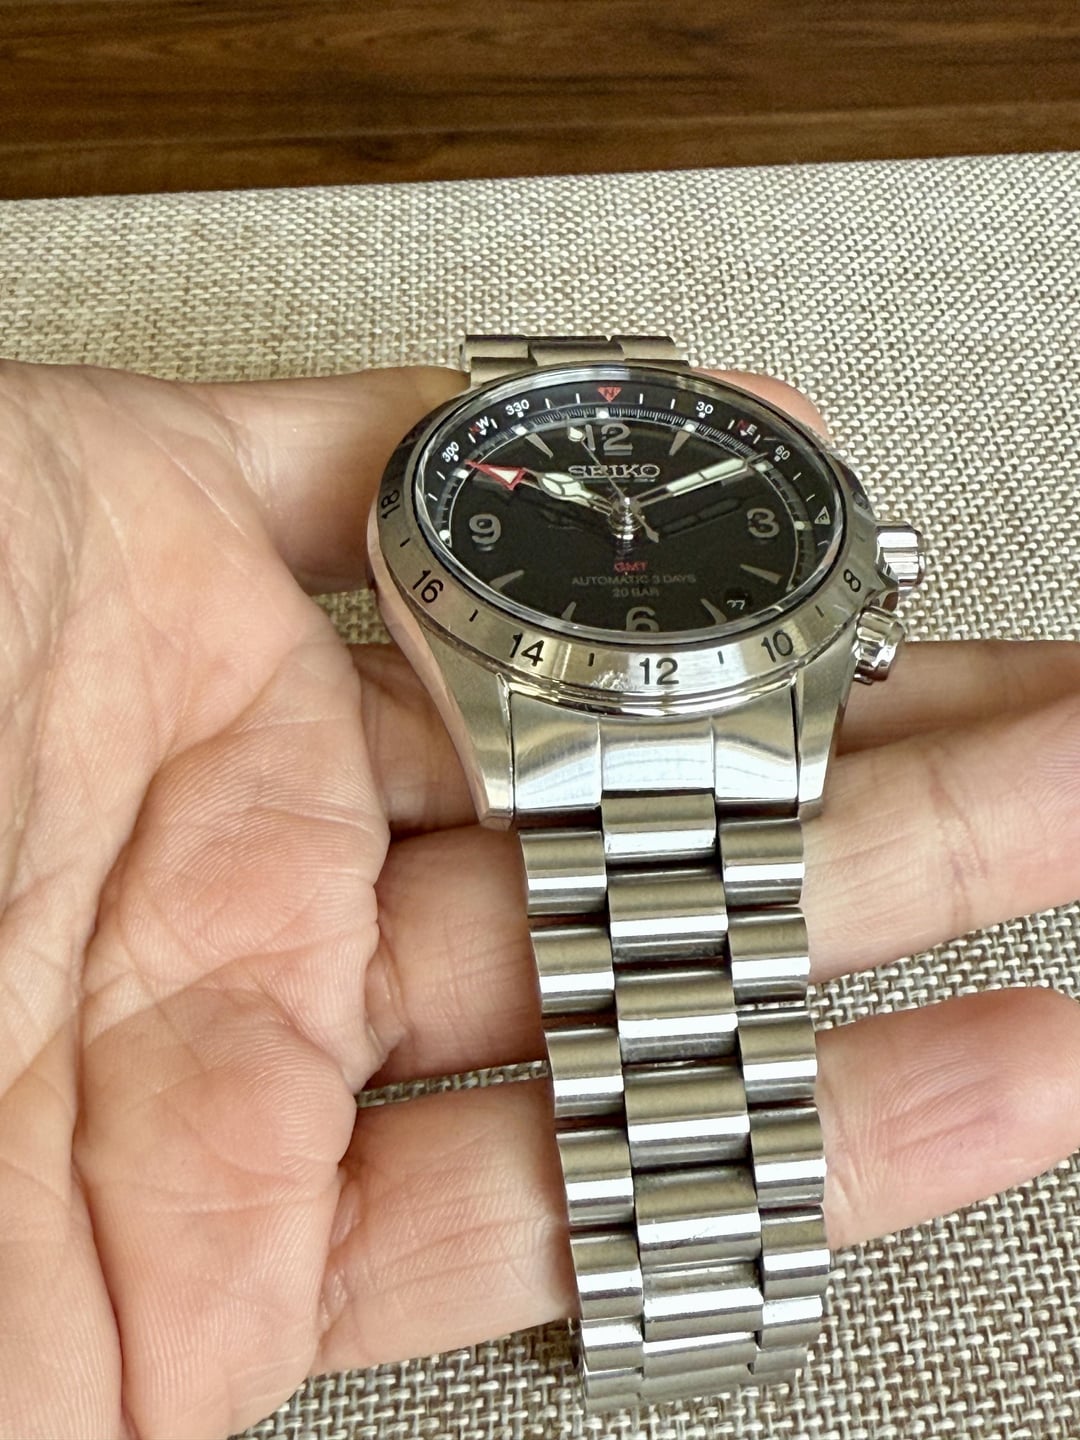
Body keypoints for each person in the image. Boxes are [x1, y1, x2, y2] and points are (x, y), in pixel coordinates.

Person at [0, 356, 1078, 1440]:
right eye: (608, 510)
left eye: (655, 502)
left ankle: (696, 1298)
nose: (626, 521)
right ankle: (677, 1300)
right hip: (544, 712)